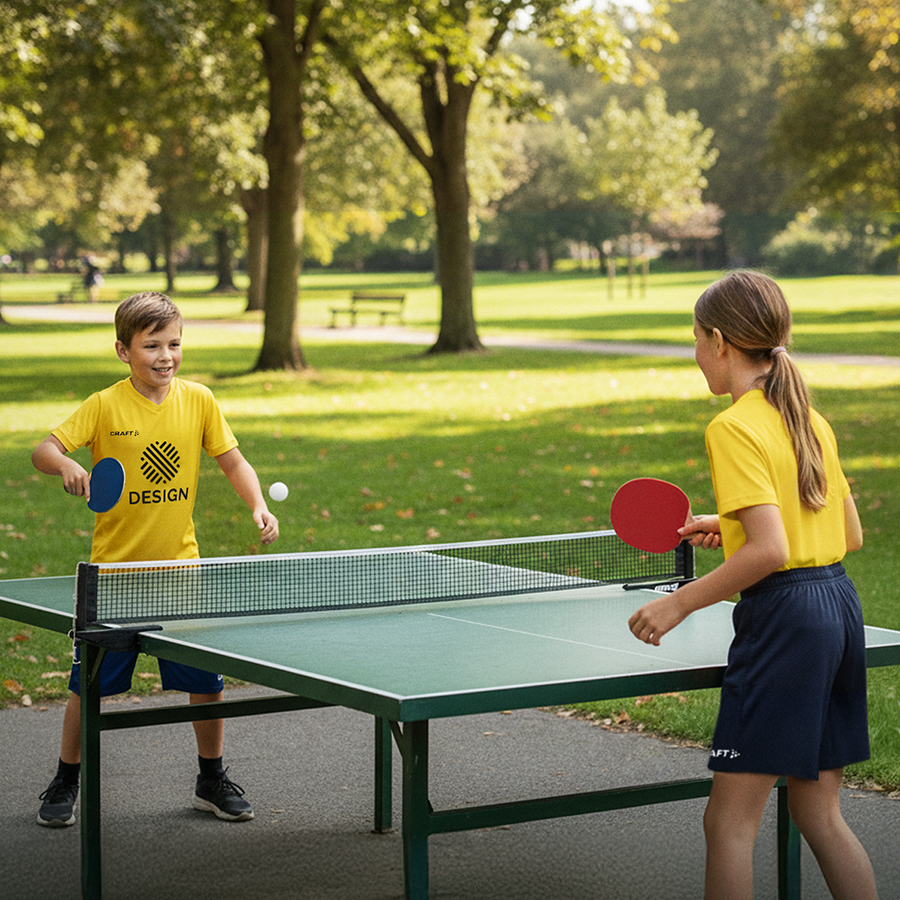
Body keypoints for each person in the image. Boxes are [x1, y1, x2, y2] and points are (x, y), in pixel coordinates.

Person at [628, 270, 876, 900]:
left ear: (718, 341)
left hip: (787, 622)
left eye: (693, 338)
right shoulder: (809, 419)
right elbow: (845, 534)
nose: (694, 353)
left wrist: (680, 601)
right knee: (819, 815)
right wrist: (729, 522)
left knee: (728, 824)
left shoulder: (733, 426)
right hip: (837, 608)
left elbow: (771, 550)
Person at [32, 291, 280, 828]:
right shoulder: (105, 404)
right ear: (123, 350)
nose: (165, 356)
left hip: (181, 575)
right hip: (115, 580)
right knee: (87, 686)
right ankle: (65, 778)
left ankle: (210, 778)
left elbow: (233, 462)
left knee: (206, 682)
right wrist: (67, 468)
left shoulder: (200, 400)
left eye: (174, 344)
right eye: (152, 346)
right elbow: (44, 449)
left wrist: (258, 505)